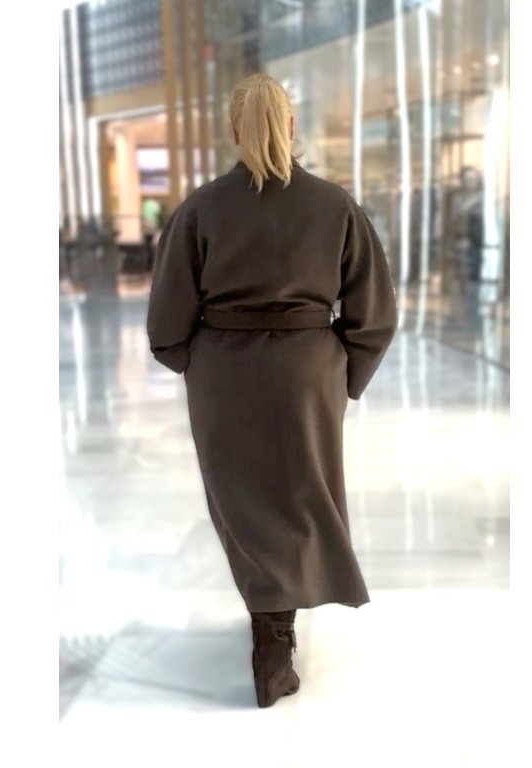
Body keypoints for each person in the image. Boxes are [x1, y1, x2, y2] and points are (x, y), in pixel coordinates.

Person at [146, 73, 397, 708]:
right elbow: (373, 312)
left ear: (235, 130)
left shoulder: (200, 210)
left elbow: (167, 321)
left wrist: (196, 364)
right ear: (289, 124)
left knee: (243, 504)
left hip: (224, 374)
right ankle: (275, 636)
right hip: (308, 373)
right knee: (303, 495)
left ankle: (271, 635)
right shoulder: (335, 206)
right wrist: (343, 372)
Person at [141, 197, 163, 271]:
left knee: (148, 248)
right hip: (153, 229)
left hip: (147, 229)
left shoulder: (145, 206)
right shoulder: (156, 206)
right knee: (153, 249)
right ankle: (152, 265)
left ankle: (149, 266)